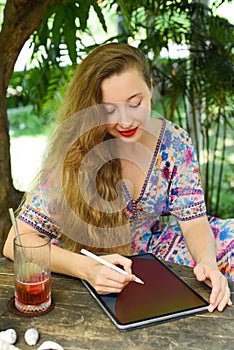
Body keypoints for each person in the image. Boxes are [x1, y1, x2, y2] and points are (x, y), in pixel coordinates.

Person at [3, 42, 233, 312]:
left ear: (151, 86)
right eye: (109, 110)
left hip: (151, 252)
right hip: (87, 260)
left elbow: (193, 221)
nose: (126, 121)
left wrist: (206, 261)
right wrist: (87, 268)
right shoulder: (76, 150)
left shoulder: (175, 142)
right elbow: (16, 243)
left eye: (135, 103)